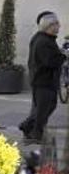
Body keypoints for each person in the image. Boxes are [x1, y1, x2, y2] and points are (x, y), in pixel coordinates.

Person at [20, 13, 65, 142]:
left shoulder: (44, 38)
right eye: (56, 24)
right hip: (43, 80)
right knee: (43, 108)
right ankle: (33, 132)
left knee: (47, 106)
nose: (59, 26)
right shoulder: (43, 41)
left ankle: (30, 129)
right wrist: (63, 57)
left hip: (43, 79)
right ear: (49, 26)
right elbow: (49, 61)